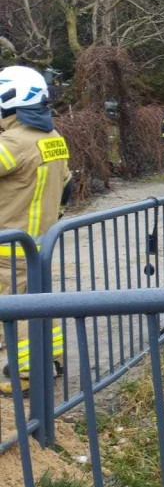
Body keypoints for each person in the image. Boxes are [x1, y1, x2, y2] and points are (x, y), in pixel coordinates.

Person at [0, 66, 71, 393]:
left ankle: (27, 373)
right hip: (39, 241)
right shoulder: (53, 137)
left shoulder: (13, 141)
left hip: (8, 245)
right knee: (39, 300)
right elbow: (67, 183)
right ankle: (52, 358)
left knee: (15, 307)